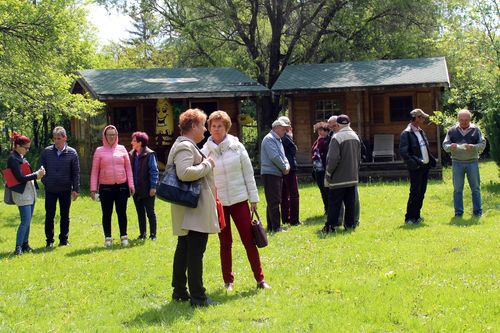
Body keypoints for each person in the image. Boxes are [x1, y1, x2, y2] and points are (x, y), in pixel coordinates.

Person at [202, 111, 271, 291]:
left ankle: (260, 279)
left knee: (249, 240)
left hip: (240, 199)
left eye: (220, 126)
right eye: (213, 126)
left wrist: (253, 198)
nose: (216, 129)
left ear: (226, 128)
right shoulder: (204, 151)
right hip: (219, 203)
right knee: (225, 243)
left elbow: (248, 173)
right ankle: (228, 282)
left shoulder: (237, 147)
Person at [169, 108, 220, 307]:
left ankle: (180, 291)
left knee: (184, 250)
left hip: (189, 209)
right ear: (193, 126)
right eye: (202, 125)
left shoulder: (185, 145)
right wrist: (207, 164)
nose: (205, 131)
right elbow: (184, 173)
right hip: (193, 210)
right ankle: (198, 297)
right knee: (195, 253)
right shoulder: (185, 147)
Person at [90, 125, 135, 247]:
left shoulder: (122, 149)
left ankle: (124, 236)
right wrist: (93, 189)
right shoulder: (99, 151)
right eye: (109, 135)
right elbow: (94, 171)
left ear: (116, 136)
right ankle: (108, 238)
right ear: (105, 136)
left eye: (113, 135)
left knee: (122, 212)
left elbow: (128, 169)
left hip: (122, 186)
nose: (111, 137)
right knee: (107, 213)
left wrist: (131, 184)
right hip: (105, 187)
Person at [40, 126, 80, 248]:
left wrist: (75, 189)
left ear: (65, 138)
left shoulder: (72, 153)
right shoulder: (47, 152)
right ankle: (49, 241)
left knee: (65, 216)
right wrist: (45, 181)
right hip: (50, 189)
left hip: (65, 189)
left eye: (59, 138)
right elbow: (42, 169)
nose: (56, 141)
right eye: (55, 138)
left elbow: (76, 173)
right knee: (49, 215)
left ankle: (64, 239)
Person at [7, 132, 45, 255]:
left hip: (29, 191)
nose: (28, 150)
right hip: (22, 193)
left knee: (28, 221)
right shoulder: (13, 158)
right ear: (18, 146)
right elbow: (19, 177)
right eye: (26, 148)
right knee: (25, 221)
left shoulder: (21, 157)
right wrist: (36, 175)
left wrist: (37, 172)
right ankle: (18, 247)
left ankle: (25, 244)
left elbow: (25, 174)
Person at [443, 109, 486, 217]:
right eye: (461, 120)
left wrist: (474, 147)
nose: (464, 122)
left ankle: (478, 211)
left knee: (475, 188)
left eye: (466, 120)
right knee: (457, 189)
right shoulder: (452, 130)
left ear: (470, 119)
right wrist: (450, 147)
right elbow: (445, 145)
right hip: (457, 163)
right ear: (458, 119)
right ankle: (458, 212)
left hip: (472, 162)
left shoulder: (476, 129)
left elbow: (483, 144)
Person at [323, 115, 361, 233]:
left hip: (339, 178)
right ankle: (350, 225)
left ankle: (330, 226)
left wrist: (328, 173)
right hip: (352, 176)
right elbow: (358, 158)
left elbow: (333, 159)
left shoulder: (337, 137)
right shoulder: (355, 136)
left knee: (334, 203)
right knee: (350, 203)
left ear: (338, 125)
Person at [399, 109, 437, 225]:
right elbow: (404, 153)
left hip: (424, 167)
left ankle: (417, 216)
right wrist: (415, 165)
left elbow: (424, 148)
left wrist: (430, 160)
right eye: (422, 117)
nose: (424, 119)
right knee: (415, 192)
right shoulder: (406, 133)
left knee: (422, 192)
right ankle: (409, 218)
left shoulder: (420, 131)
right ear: (416, 118)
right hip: (416, 167)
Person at [260, 118, 291, 232]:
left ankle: (272, 226)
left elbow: (283, 156)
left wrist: (286, 166)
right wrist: (284, 168)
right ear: (276, 128)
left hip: (275, 173)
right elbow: (275, 157)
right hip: (270, 173)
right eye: (283, 128)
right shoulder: (270, 139)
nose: (285, 131)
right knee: (274, 201)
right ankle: (276, 227)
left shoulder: (277, 139)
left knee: (273, 200)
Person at [129, 131, 159, 241]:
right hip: (136, 190)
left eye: (134, 140)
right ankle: (142, 234)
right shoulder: (131, 154)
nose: (131, 142)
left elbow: (154, 171)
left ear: (140, 143)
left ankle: (153, 235)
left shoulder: (149, 154)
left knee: (150, 212)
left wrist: (153, 187)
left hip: (147, 189)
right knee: (140, 213)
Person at [278, 116, 302, 226]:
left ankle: (285, 217)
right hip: (290, 169)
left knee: (283, 194)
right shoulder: (286, 137)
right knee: (294, 194)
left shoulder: (278, 137)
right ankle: (294, 220)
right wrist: (290, 136)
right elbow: (294, 150)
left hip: (281, 168)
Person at [311, 121, 330, 215]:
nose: (320, 132)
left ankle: (329, 209)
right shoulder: (317, 141)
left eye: (322, 130)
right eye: (319, 130)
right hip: (318, 170)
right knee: (322, 190)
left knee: (327, 190)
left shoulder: (328, 140)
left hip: (325, 169)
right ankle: (326, 209)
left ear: (326, 131)